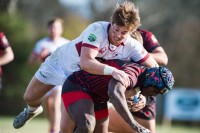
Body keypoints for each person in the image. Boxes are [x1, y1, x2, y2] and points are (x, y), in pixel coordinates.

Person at [13, 1, 159, 129]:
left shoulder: (132, 45)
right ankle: (31, 110)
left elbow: (154, 70)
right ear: (112, 23)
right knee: (30, 97)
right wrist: (113, 71)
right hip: (60, 63)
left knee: (71, 126)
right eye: (116, 29)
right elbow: (86, 62)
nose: (118, 35)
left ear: (131, 31)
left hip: (80, 80)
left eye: (124, 32)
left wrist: (141, 94)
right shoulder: (97, 30)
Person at [60, 58, 175, 133]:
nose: (154, 95)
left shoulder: (143, 80)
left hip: (98, 98)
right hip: (79, 85)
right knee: (87, 125)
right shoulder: (132, 74)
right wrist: (134, 124)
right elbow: (114, 92)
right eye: (155, 91)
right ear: (151, 81)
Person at [108, 29, 168, 133]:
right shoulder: (108, 34)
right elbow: (113, 93)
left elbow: (163, 59)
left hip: (136, 87)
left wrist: (139, 54)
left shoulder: (144, 37)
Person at [28, 17, 69, 133]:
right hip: (44, 79)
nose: (53, 30)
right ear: (48, 29)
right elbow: (31, 61)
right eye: (51, 27)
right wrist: (39, 55)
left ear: (61, 29)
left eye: (56, 27)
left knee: (56, 104)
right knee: (48, 105)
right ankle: (52, 126)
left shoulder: (66, 43)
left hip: (59, 79)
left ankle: (55, 129)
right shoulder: (41, 44)